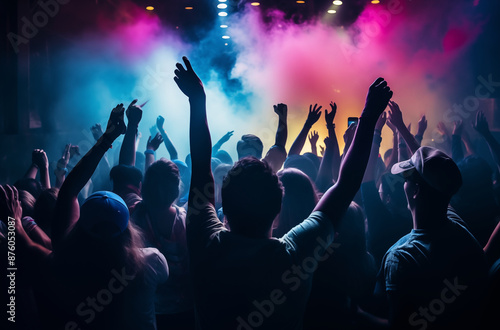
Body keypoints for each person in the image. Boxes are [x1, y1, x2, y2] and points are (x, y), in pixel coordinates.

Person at [174, 54, 393, 329]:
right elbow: (345, 185)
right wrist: (368, 118)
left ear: (223, 208)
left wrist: (197, 100)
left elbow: (201, 169)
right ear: (277, 212)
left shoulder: (204, 239)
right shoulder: (295, 254)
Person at [10, 104, 169, 330]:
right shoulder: (149, 262)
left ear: (83, 223)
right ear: (127, 228)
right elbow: (68, 193)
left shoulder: (64, 263)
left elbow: (66, 194)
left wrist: (108, 137)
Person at [376, 146, 488, 329]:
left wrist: (357, 314)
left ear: (415, 191)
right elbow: (437, 177)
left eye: (406, 179)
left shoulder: (401, 257)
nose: (403, 184)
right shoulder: (463, 231)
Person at [131, 158, 194, 330]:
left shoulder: (133, 215)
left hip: (143, 307)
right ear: (175, 189)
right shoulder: (185, 221)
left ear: (145, 186)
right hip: (182, 308)